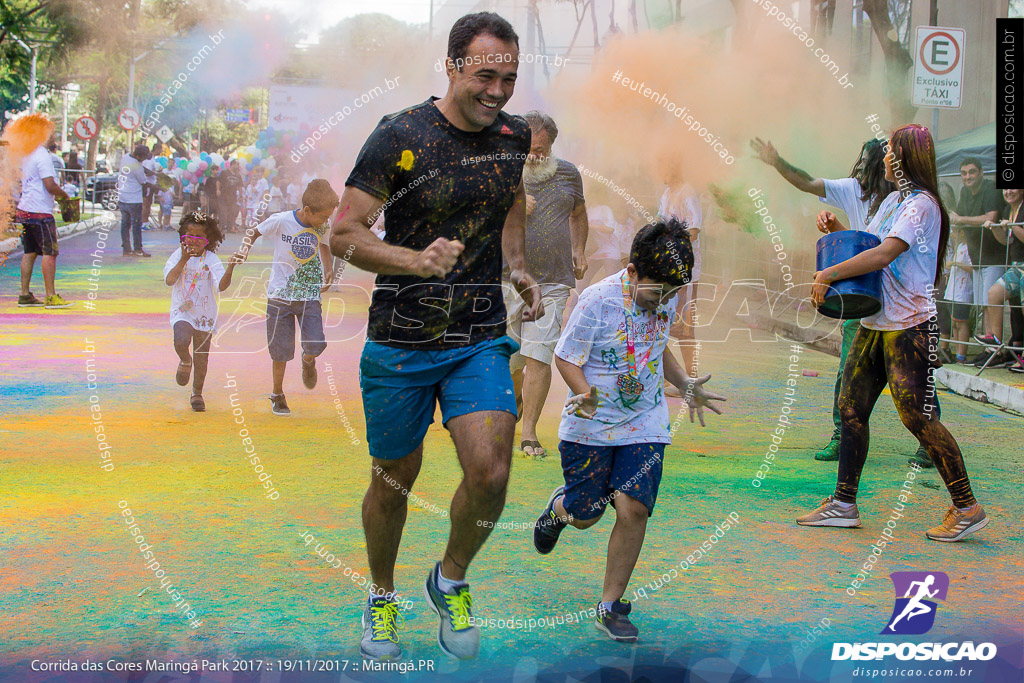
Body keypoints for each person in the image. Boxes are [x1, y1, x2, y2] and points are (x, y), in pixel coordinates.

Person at [329, 11, 542, 661]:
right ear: (451, 67)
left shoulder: (514, 136)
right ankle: (382, 594)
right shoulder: (400, 135)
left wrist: (518, 265)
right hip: (400, 338)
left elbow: (510, 201)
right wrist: (412, 260)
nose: (498, 91)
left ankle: (449, 576)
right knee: (394, 477)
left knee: (492, 470)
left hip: (477, 333)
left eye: (509, 77)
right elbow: (344, 233)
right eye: (485, 75)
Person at [532, 219, 724, 642]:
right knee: (588, 515)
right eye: (659, 292)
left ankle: (610, 605)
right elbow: (566, 357)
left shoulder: (664, 292)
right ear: (633, 272)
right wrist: (584, 393)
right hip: (591, 426)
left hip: (645, 422)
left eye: (673, 293)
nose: (666, 302)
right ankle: (560, 510)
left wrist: (685, 385)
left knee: (633, 508)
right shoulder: (597, 301)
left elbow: (658, 346)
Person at [798, 123, 989, 543]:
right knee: (850, 407)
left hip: (909, 326)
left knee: (916, 416)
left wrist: (828, 273)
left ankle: (966, 506)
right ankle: (844, 503)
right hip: (876, 322)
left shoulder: (922, 205)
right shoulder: (892, 202)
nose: (883, 158)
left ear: (903, 158)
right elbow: (870, 243)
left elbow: (886, 253)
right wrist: (835, 235)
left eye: (889, 151)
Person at [750, 137, 906, 463]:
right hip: (862, 296)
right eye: (859, 160)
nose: (860, 166)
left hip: (898, 297)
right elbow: (807, 182)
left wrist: (830, 274)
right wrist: (777, 161)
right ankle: (842, 435)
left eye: (868, 161)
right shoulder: (852, 189)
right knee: (848, 369)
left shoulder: (901, 201)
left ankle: (927, 435)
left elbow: (884, 251)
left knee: (908, 372)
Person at [504, 110, 587, 459]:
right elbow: (474, 214)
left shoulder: (568, 173)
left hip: (552, 280)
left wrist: (579, 248)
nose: (534, 155)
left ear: (552, 145)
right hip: (506, 278)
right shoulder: (504, 171)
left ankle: (529, 434)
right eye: (529, 148)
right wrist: (513, 206)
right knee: (510, 358)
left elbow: (579, 213)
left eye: (542, 148)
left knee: (539, 354)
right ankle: (515, 397)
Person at [237, 179, 338, 416]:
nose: (325, 222)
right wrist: (243, 250)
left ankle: (308, 360)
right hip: (280, 294)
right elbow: (255, 231)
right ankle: (277, 394)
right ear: (307, 210)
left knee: (315, 344)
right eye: (322, 216)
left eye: (328, 217)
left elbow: (324, 245)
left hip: (309, 294)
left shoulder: (322, 224)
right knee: (280, 350)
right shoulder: (282, 220)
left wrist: (329, 268)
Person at [163, 211, 240, 411]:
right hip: (182, 310)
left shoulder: (212, 259)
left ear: (208, 241)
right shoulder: (177, 255)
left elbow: (221, 286)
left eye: (199, 238)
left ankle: (197, 393)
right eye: (189, 237)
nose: (193, 242)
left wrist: (231, 267)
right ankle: (184, 359)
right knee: (180, 340)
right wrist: (183, 260)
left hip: (205, 314)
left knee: (202, 355)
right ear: (182, 236)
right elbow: (170, 280)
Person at [12, 114, 74, 308]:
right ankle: (51, 296)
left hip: (25, 209)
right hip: (40, 211)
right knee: (50, 253)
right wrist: (64, 195)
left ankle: (24, 294)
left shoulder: (27, 153)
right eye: (51, 134)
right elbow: (49, 185)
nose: (53, 137)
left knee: (29, 252)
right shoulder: (42, 155)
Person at [949, 157, 1006, 366]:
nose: (967, 177)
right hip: (976, 258)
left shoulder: (991, 188)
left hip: (994, 257)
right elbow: (957, 218)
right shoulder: (964, 192)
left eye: (972, 172)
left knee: (990, 304)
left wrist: (961, 219)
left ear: (981, 172)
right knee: (983, 305)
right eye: (964, 173)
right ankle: (989, 349)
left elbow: (989, 217)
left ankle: (996, 350)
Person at [972, 188, 1024, 368]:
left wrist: (1012, 226)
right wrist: (994, 230)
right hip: (1017, 266)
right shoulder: (1007, 210)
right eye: (1006, 189)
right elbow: (1006, 241)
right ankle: (995, 341)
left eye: (1013, 188)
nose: (1008, 192)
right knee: (994, 293)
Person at [943, 224, 973, 364]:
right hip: (952, 291)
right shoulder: (959, 246)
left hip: (963, 290)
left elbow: (973, 268)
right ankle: (957, 352)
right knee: (954, 323)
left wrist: (956, 264)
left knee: (961, 323)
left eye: (955, 232)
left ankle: (962, 354)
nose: (952, 235)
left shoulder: (969, 248)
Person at [118, 144, 155, 257]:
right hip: (133, 199)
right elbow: (144, 182)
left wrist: (152, 172)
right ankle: (138, 249)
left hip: (122, 197)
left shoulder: (126, 158)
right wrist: (158, 187)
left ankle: (126, 248)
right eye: (143, 158)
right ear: (138, 156)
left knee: (125, 224)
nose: (144, 160)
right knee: (136, 225)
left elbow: (144, 170)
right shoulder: (137, 167)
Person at [141, 143, 160, 230]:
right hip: (147, 184)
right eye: (161, 149)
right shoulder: (149, 159)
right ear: (157, 149)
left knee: (148, 204)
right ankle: (144, 222)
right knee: (146, 204)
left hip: (151, 184)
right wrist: (155, 173)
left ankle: (146, 221)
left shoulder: (152, 158)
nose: (161, 151)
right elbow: (147, 172)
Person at [220, 159, 243, 232]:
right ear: (232, 164)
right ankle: (221, 227)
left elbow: (240, 186)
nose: (238, 166)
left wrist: (240, 195)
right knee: (223, 211)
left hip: (233, 196)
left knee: (231, 211)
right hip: (224, 195)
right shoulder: (224, 173)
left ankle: (229, 228)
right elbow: (219, 181)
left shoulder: (238, 175)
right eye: (237, 164)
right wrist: (218, 190)